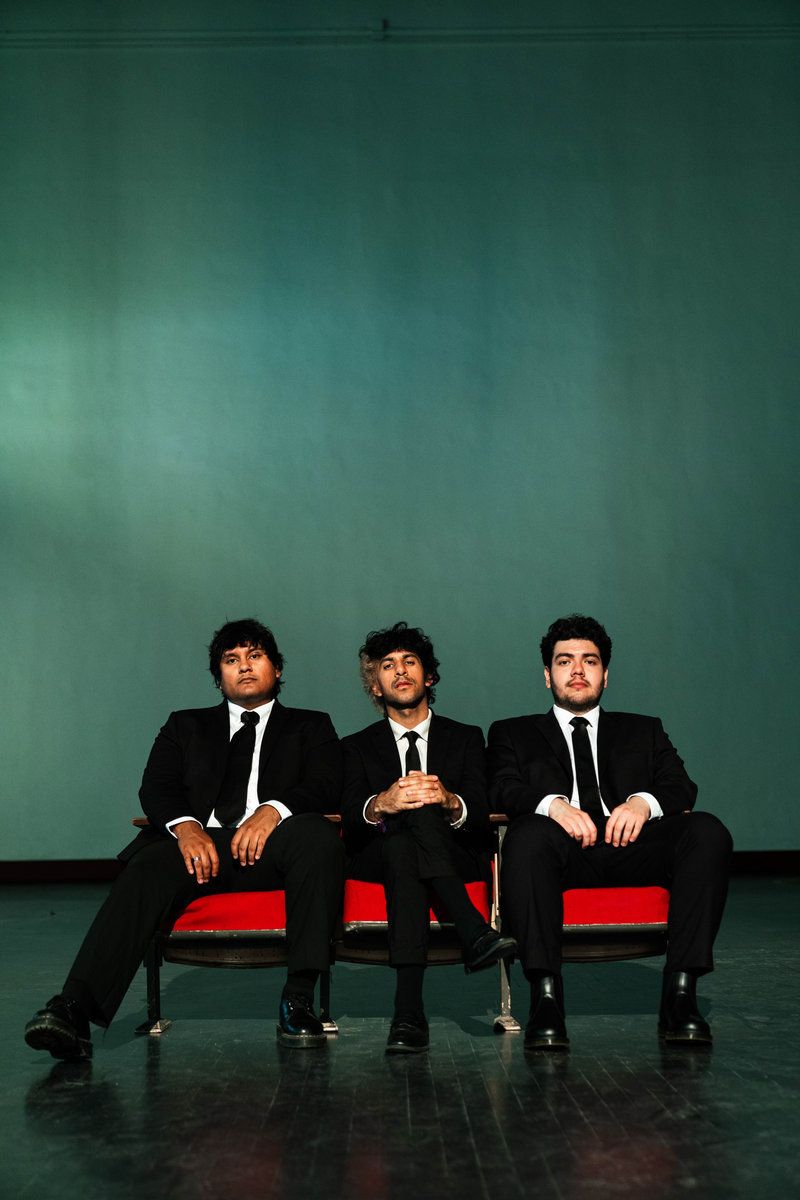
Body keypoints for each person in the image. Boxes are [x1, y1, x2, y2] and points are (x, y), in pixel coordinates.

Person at [25, 618, 344, 1059]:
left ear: (277, 668)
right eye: (231, 660)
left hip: (275, 846)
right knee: (148, 863)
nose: (244, 666)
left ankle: (298, 999)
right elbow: (157, 786)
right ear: (218, 677)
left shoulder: (311, 726)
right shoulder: (185, 725)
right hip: (199, 850)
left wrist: (271, 811)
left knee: (318, 837)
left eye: (255, 656)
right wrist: (187, 827)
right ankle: (73, 1010)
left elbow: (327, 783)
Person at [488, 614, 732, 1051]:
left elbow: (680, 785)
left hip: (632, 846)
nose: (577, 670)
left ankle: (680, 994)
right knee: (527, 837)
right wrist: (553, 806)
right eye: (564, 661)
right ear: (547, 675)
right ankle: (545, 998)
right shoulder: (513, 733)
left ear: (605, 674)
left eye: (590, 661)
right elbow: (502, 787)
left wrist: (643, 803)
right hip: (560, 850)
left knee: (707, 831)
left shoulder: (643, 728)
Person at [342, 622, 515, 1054]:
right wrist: (381, 803)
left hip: (453, 852)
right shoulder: (355, 746)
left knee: (415, 825)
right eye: (387, 665)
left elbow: (481, 811)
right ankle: (473, 930)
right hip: (377, 857)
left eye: (410, 662)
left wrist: (450, 801)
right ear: (375, 686)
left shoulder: (466, 737)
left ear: (429, 676)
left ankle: (408, 1014)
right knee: (403, 830)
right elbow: (349, 815)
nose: (400, 671)